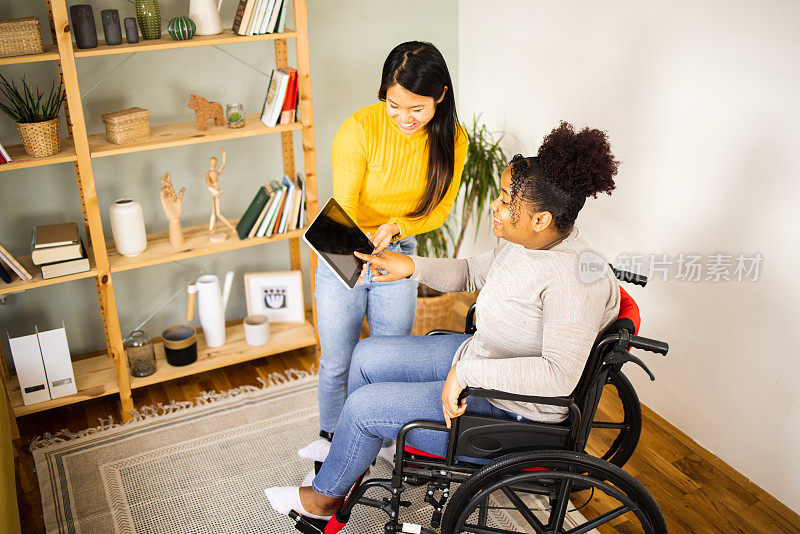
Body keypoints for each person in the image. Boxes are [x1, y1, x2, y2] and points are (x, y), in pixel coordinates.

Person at [265, 121, 623, 521]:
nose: (495, 206)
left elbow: (558, 376)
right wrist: (409, 266)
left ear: (541, 219)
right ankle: (358, 455)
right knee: (366, 356)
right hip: (481, 358)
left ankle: (324, 500)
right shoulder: (532, 243)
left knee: (364, 408)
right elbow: (470, 270)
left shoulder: (575, 278)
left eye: (506, 201)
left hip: (508, 411)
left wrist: (466, 373)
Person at [301, 41, 468, 463]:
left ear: (441, 96)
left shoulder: (453, 138)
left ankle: (377, 437)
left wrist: (398, 227)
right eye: (394, 106)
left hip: (397, 249)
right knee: (337, 358)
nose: (404, 118)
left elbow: (440, 209)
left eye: (417, 108)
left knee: (388, 357)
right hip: (344, 242)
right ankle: (331, 440)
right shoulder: (359, 128)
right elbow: (347, 205)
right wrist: (362, 253)